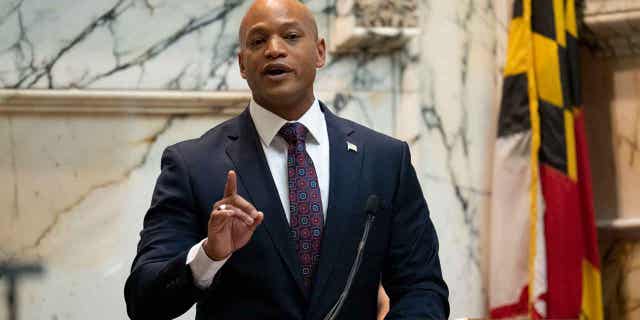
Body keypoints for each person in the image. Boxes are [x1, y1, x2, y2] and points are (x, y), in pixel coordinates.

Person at [124, 0, 449, 319]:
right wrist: (210, 255)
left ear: (320, 52)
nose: (274, 49)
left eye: (291, 36)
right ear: (241, 64)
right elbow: (143, 301)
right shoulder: (192, 164)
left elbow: (421, 288)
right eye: (258, 40)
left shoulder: (384, 159)